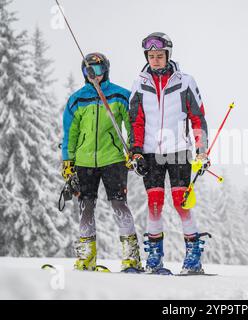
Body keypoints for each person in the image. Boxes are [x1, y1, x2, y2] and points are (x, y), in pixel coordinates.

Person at [128, 32, 210, 274]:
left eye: (159, 55)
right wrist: (136, 152)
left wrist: (201, 150)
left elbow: (197, 117)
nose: (155, 60)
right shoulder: (139, 83)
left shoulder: (185, 81)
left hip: (178, 150)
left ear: (168, 55)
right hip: (151, 153)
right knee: (154, 204)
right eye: (151, 56)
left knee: (181, 203)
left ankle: (193, 258)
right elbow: (136, 121)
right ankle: (154, 258)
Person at [62, 52, 142, 272]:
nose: (93, 75)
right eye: (89, 71)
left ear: (105, 70)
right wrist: (68, 160)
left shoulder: (120, 95)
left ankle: (131, 258)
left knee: (119, 204)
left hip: (114, 159)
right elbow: (70, 132)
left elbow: (132, 124)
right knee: (86, 206)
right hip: (84, 161)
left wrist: (134, 150)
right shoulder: (77, 99)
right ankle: (87, 259)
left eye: (98, 70)